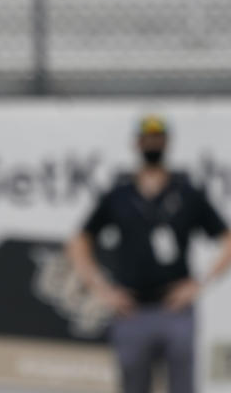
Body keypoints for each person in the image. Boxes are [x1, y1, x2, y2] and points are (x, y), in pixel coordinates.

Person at [66, 114, 231, 393]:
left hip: (174, 309)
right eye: (147, 138)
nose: (153, 143)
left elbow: (226, 239)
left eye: (158, 137)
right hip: (131, 309)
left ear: (167, 142)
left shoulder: (187, 192)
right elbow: (79, 241)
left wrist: (200, 283)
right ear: (137, 143)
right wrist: (102, 289)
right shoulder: (120, 195)